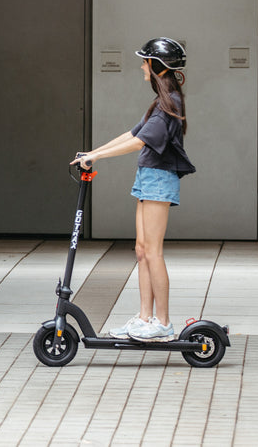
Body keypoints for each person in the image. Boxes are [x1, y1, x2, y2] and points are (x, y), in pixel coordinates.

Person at [71, 37, 195, 342]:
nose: (141, 66)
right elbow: (133, 132)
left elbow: (140, 142)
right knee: (141, 251)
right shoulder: (161, 103)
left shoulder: (171, 104)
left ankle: (162, 322)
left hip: (158, 178)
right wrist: (92, 151)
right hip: (148, 177)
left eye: (144, 61)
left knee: (153, 252)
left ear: (156, 66)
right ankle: (144, 318)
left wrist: (97, 157)